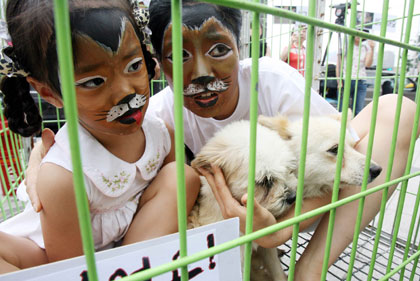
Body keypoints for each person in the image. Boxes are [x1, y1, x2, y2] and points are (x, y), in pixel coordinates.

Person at [25, 0, 418, 280]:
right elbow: (93, 144)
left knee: (398, 110)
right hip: (236, 222)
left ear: (242, 47)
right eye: (177, 56)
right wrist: (43, 160)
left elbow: (342, 146)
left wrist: (279, 231)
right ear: (158, 67)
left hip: (296, 206)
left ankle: (310, 270)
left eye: (218, 49)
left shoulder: (271, 78)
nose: (201, 73)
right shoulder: (159, 115)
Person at [0, 0, 200, 273]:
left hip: (127, 249)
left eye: (133, 66)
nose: (126, 92)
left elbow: (177, 207)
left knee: (183, 176)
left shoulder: (161, 133)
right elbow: (69, 269)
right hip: (55, 256)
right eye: (93, 82)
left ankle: (134, 271)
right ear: (49, 93)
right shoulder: (63, 176)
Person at [336, 35, 376, 115]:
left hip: (361, 80)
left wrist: (372, 49)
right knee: (342, 109)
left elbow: (367, 64)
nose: (358, 35)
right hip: (346, 79)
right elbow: (338, 66)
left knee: (358, 110)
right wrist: (339, 81)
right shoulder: (345, 46)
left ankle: (354, 127)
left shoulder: (365, 48)